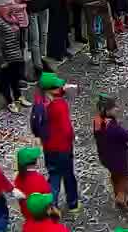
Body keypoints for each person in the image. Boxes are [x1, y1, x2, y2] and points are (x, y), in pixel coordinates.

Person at [33, 72, 78, 213]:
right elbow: (66, 129)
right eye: (58, 87)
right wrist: (72, 137)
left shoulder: (39, 103)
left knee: (54, 177)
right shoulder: (59, 105)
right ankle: (73, 203)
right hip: (63, 148)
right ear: (51, 90)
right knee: (68, 175)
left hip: (48, 148)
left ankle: (51, 206)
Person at [92, 94, 128, 220]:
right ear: (107, 111)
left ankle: (119, 199)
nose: (118, 109)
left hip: (106, 158)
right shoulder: (114, 128)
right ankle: (121, 199)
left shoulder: (97, 121)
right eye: (115, 107)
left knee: (115, 177)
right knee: (126, 176)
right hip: (119, 159)